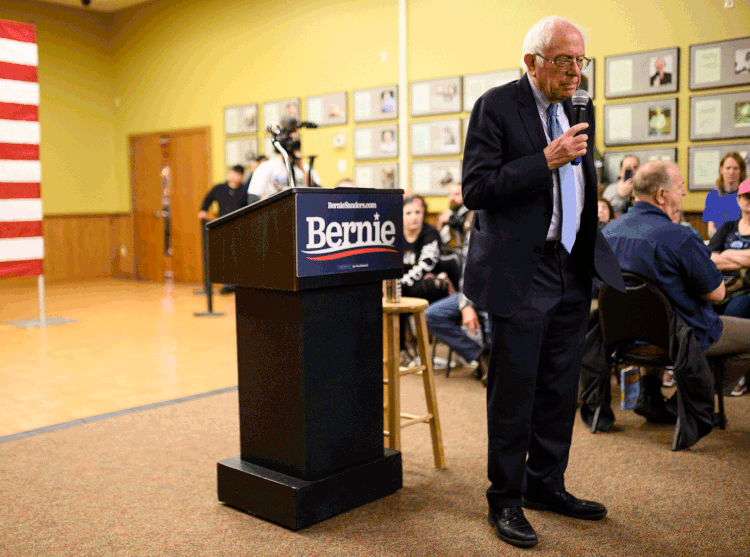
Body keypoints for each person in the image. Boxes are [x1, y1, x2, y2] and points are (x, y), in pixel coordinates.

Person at [462, 16, 624, 548]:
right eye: (564, 60)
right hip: (519, 269)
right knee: (515, 392)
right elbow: (477, 188)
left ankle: (544, 485)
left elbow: (583, 181)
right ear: (531, 62)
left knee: (559, 389)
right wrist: (545, 160)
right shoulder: (497, 105)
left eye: (581, 60)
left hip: (571, 266)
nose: (576, 71)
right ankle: (504, 501)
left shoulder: (581, 108)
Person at [598, 161, 750, 420]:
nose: (683, 193)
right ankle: (686, 401)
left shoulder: (607, 232)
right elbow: (716, 294)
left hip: (621, 338)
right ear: (661, 195)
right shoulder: (680, 237)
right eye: (680, 187)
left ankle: (650, 394)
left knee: (655, 316)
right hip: (677, 340)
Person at [708, 176, 750, 395]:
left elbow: (720, 256)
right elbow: (711, 258)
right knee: (705, 311)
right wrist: (741, 257)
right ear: (739, 199)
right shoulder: (728, 226)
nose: (749, 201)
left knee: (734, 313)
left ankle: (734, 373)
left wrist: (727, 254)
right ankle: (709, 373)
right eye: (746, 196)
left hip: (746, 291)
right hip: (721, 286)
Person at [198, 164, 248, 294]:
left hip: (240, 226)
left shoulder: (244, 190)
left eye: (239, 174)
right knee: (225, 255)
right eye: (234, 173)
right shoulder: (219, 188)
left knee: (239, 255)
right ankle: (227, 283)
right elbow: (207, 199)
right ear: (230, 173)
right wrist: (203, 210)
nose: (236, 176)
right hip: (223, 225)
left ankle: (239, 283)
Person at [247, 141, 321, 200]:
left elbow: (320, 192)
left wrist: (301, 168)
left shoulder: (305, 168)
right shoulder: (267, 167)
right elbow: (252, 198)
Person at [703, 152, 746, 238]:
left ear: (741, 171)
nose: (731, 172)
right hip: (718, 241)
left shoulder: (746, 196)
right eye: (728, 168)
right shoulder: (712, 196)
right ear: (721, 170)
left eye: (735, 168)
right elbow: (710, 228)